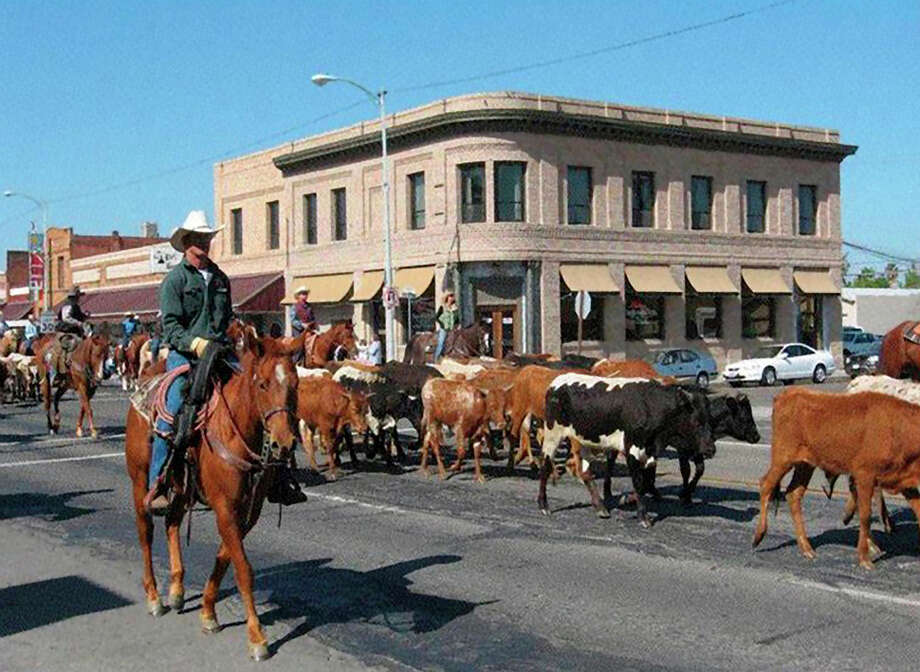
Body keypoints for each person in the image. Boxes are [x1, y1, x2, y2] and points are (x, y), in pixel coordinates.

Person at [147, 210, 306, 513]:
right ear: (186, 243)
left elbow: (225, 318)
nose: (203, 245)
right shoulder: (174, 281)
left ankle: (279, 476)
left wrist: (239, 331)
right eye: (198, 240)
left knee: (263, 394)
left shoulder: (220, 278)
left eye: (207, 239)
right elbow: (170, 326)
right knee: (171, 411)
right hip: (185, 354)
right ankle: (160, 482)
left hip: (221, 351)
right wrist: (193, 342)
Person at [434, 291, 460, 361]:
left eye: (452, 296)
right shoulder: (442, 307)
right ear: (447, 298)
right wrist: (442, 324)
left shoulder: (455, 308)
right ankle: (437, 358)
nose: (451, 298)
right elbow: (436, 317)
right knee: (441, 343)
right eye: (450, 296)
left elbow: (457, 319)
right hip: (444, 329)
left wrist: (457, 325)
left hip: (452, 329)